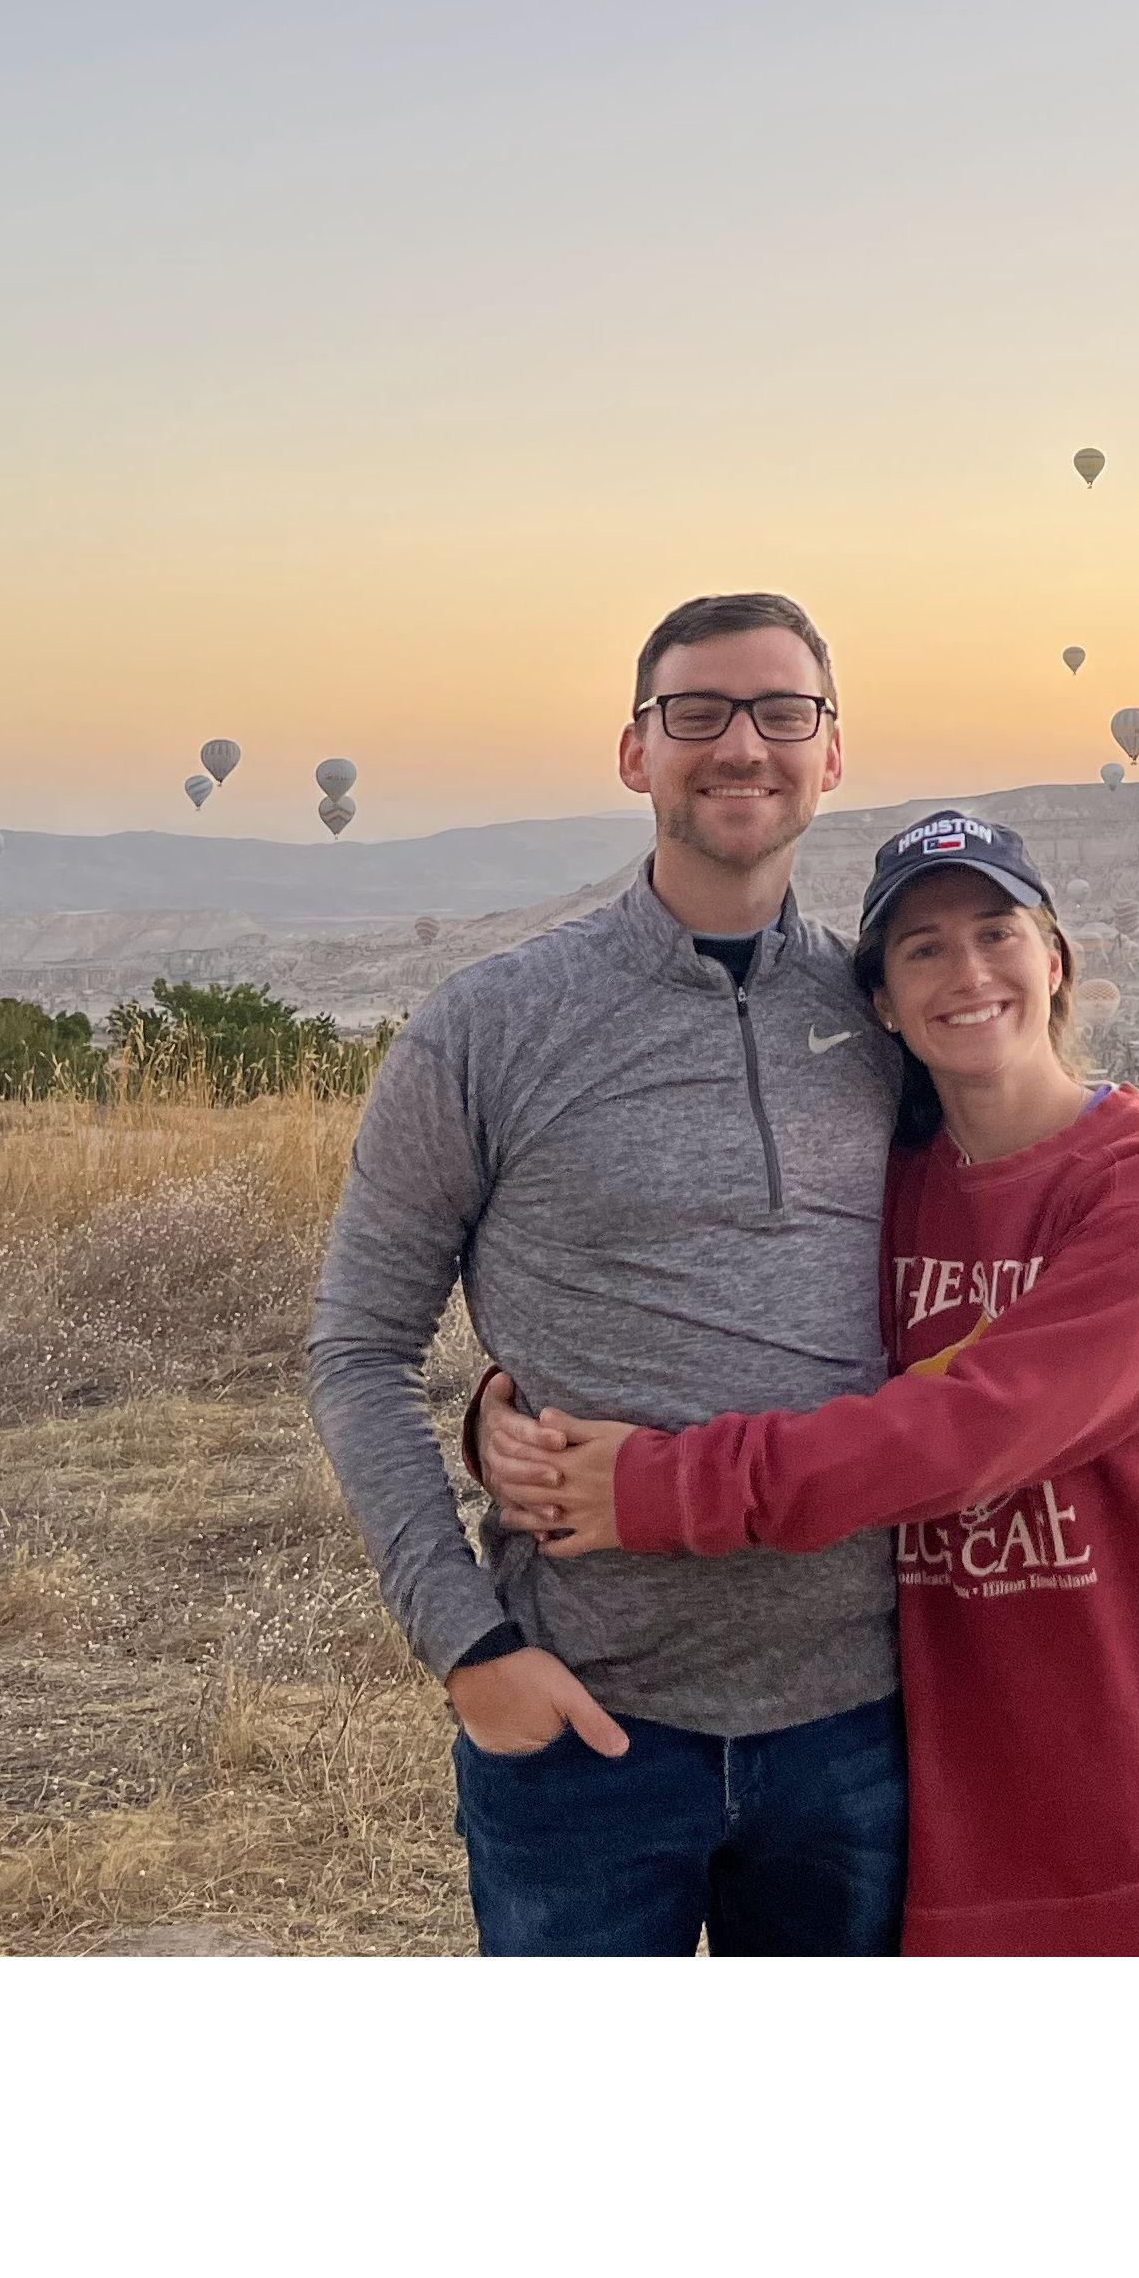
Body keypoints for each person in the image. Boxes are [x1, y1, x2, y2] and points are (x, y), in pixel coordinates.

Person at [482, 809, 1139, 1957]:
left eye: (997, 934)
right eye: (924, 949)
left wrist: (660, 1488)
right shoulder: (881, 1192)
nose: (968, 973)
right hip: (981, 1808)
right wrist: (525, 1410)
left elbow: (980, 1423)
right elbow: (734, 1328)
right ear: (881, 1000)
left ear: (1055, 960)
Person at [306, 591, 910, 1958]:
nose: (741, 745)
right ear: (637, 752)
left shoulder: (894, 1020)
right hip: (583, 1724)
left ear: (831, 752)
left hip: (861, 1723)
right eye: (697, 713)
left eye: (782, 713)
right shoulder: (492, 1024)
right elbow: (358, 1346)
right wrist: (469, 1648)